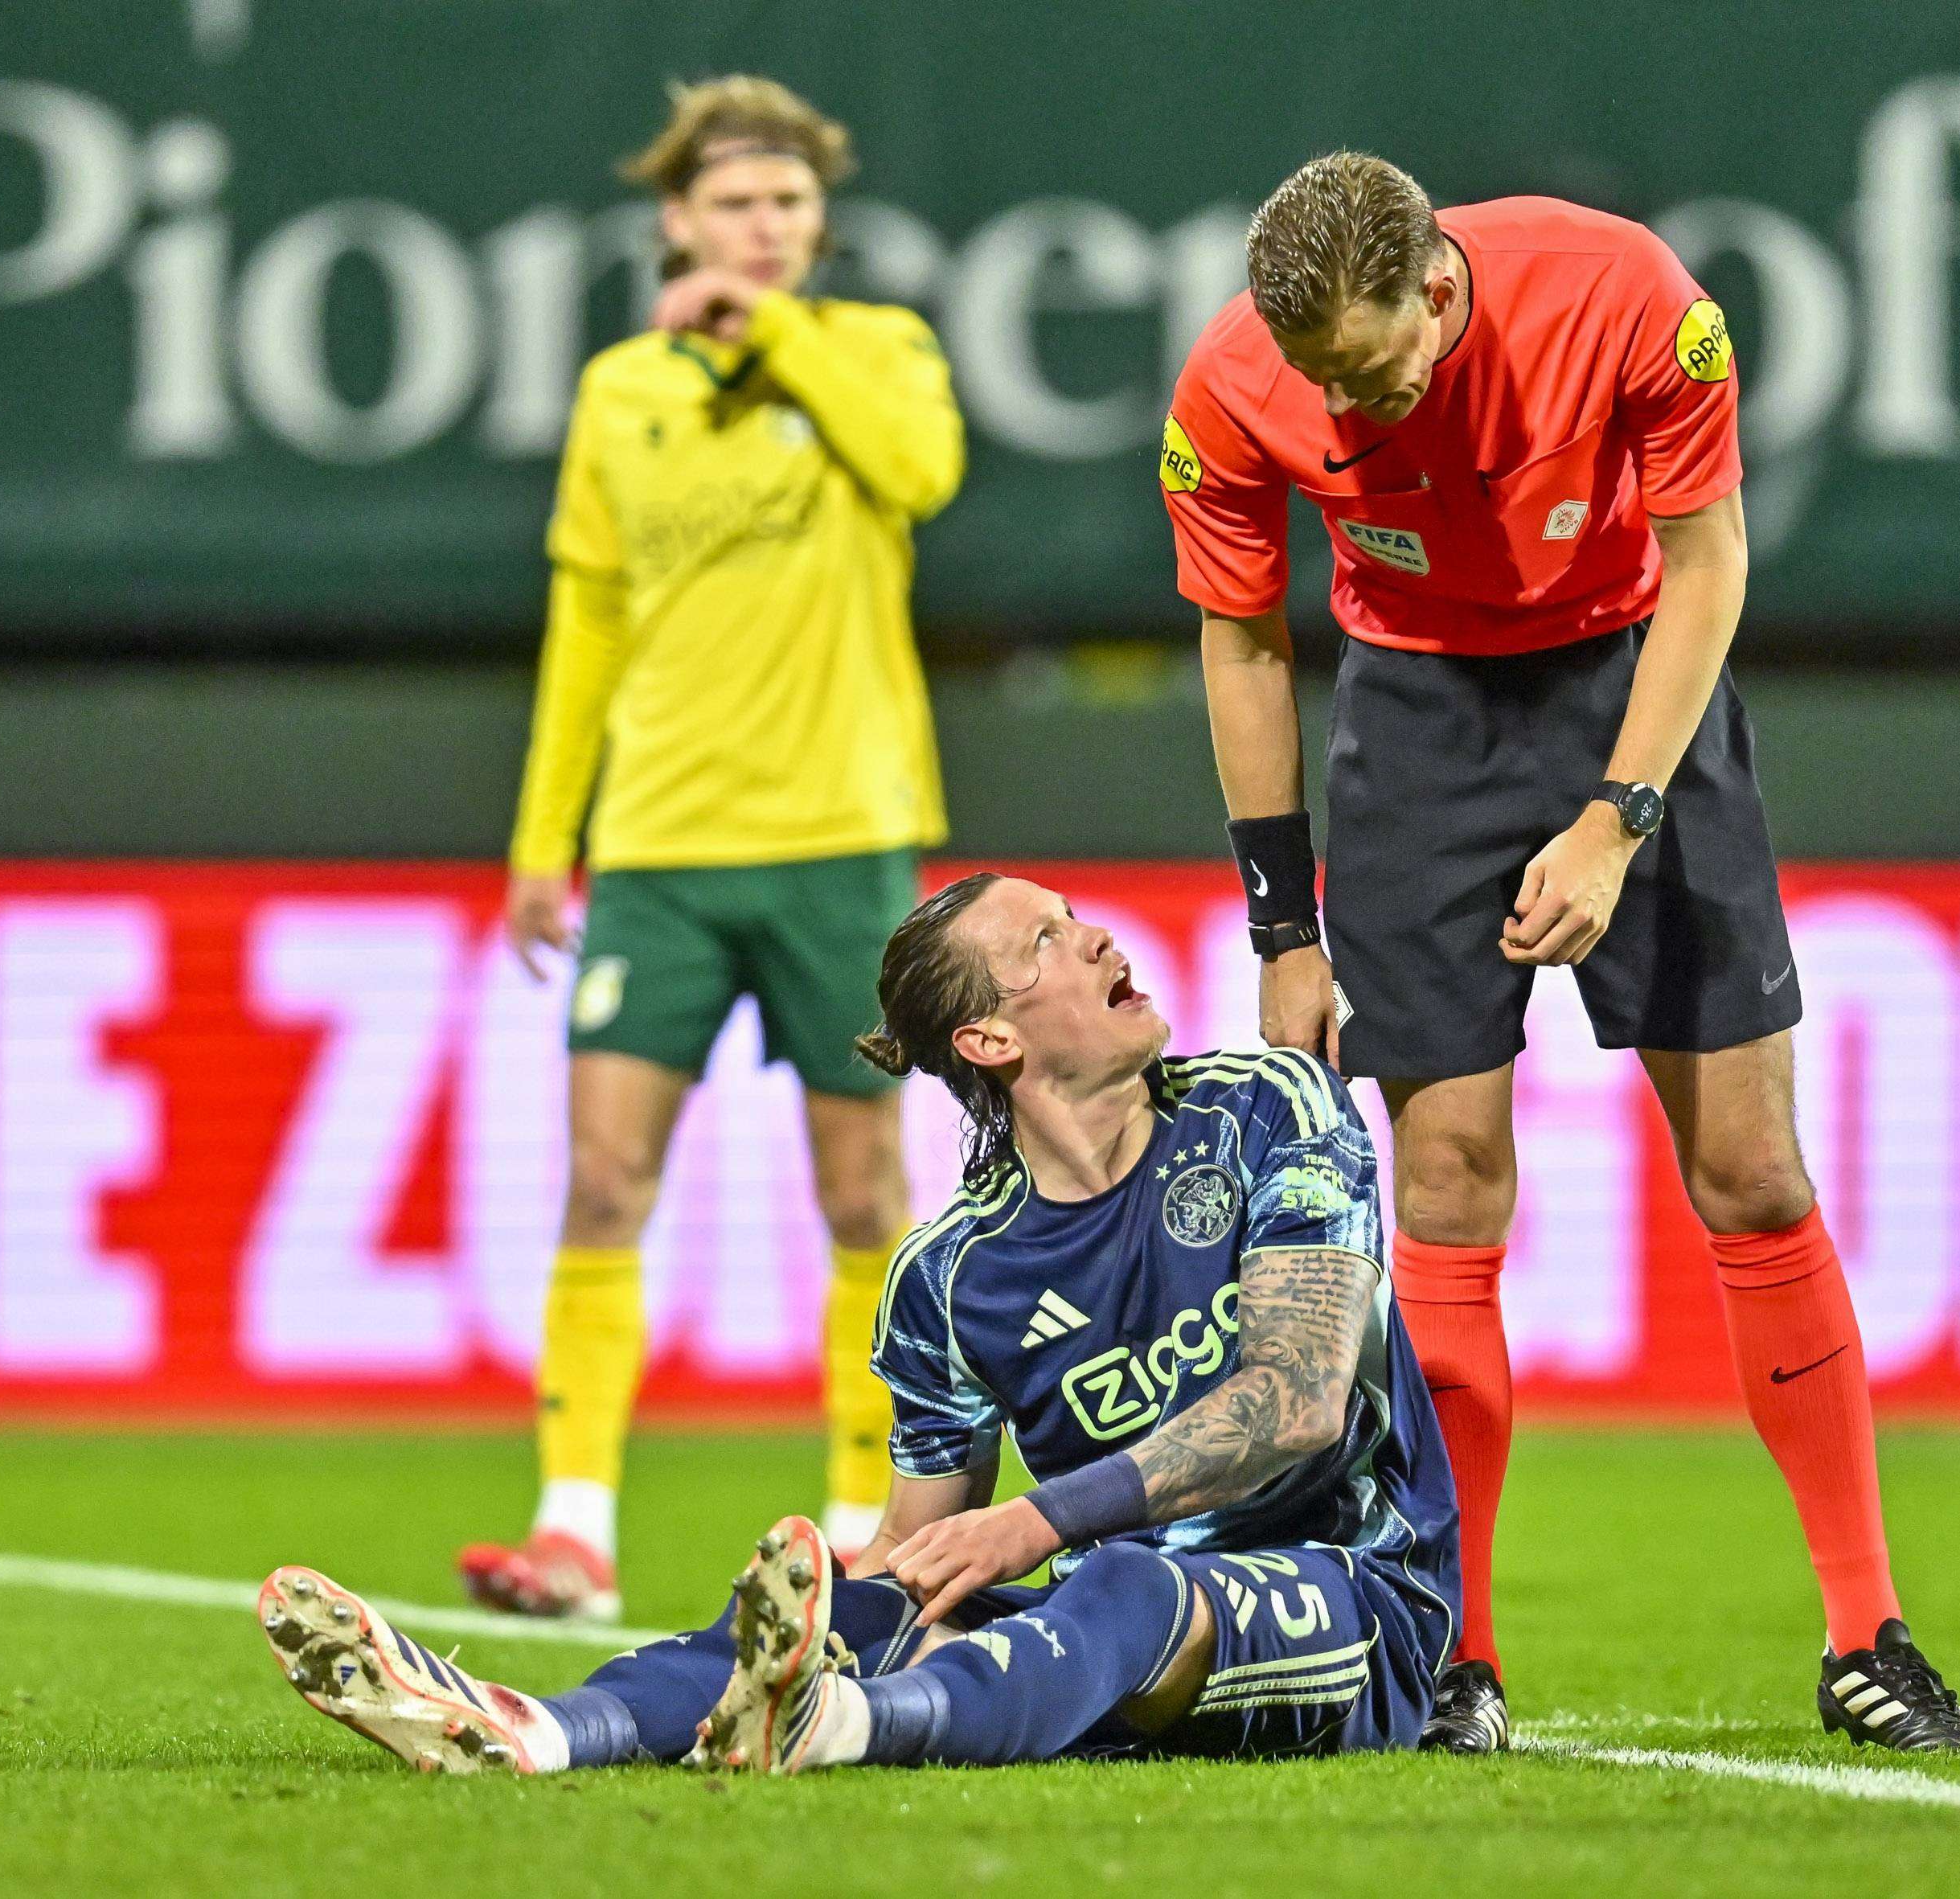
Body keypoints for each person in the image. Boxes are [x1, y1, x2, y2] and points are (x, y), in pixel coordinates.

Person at [1163, 153, 1960, 1753]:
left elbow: (1708, 562)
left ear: (1436, 287)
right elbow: (1243, 639)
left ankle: (1865, 1632)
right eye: (1321, 379)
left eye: (1375, 369)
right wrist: (1281, 927)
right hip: (1415, 726)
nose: (1347, 409)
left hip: (1629, 686)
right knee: (1448, 1184)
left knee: (1750, 1168)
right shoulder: (1232, 385)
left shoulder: (1622, 295)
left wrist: (1617, 818)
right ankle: (1453, 1656)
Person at [264, 872, 1461, 1774]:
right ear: (990, 1040)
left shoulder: (1271, 1107)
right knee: (882, 1605)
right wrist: (820, 1613)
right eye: (1045, 940)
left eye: (1074, 917)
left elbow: (1299, 1399)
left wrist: (1036, 1520)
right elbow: (921, 1544)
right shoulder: (951, 1275)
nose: (1096, 935)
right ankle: (539, 1727)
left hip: (1360, 1599)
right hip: (1117, 1639)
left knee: (1124, 1586)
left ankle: (838, 1726)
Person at [457, 77, 963, 1620]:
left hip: (842, 839)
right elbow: (587, 623)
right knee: (605, 1173)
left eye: (790, 205)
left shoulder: (875, 352)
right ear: (677, 220)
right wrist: (545, 838)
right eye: (737, 204)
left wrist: (780, 331)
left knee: (863, 1191)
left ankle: (867, 1527)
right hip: (664, 847)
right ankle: (574, 1530)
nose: (765, 227)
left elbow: (922, 473)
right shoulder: (621, 392)